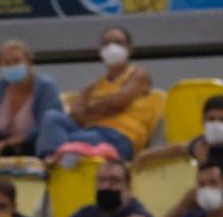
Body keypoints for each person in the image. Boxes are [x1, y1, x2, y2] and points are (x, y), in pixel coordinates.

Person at [35, 27, 153, 161]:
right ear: (100, 51)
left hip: (121, 138)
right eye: (107, 43)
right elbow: (76, 116)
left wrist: (90, 110)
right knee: (51, 117)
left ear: (130, 49)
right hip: (92, 133)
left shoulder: (139, 75)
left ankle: (61, 153)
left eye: (118, 43)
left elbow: (116, 103)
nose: (112, 47)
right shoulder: (92, 86)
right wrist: (102, 107)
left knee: (74, 139)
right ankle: (51, 162)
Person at [0, 39, 62, 166]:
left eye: (16, 61)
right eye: (6, 63)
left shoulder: (45, 87)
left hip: (32, 143)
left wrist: (9, 143)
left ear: (29, 61)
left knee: (29, 149)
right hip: (3, 145)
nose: (11, 66)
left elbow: (46, 125)